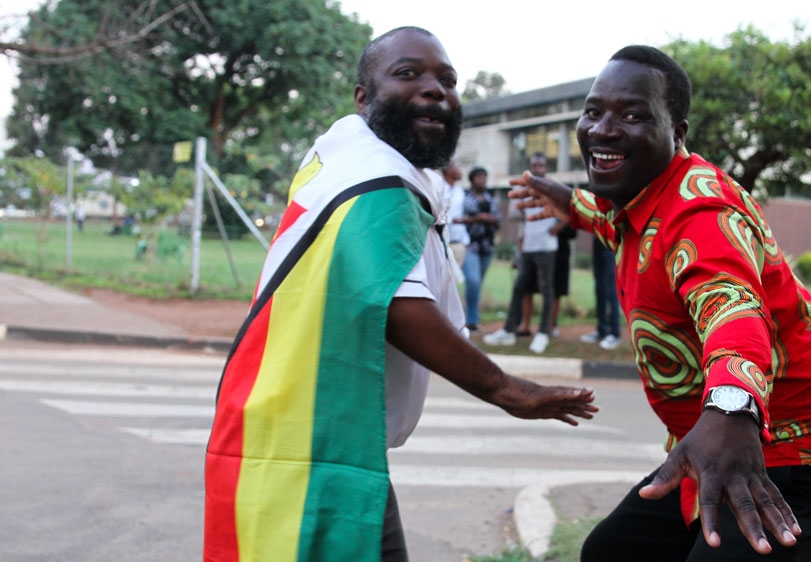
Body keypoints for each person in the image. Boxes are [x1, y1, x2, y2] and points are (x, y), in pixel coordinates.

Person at [203, 27, 597, 562]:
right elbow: (395, 305)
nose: (436, 90)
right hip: (311, 449)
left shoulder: (342, 161)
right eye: (408, 74)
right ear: (363, 97)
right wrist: (508, 389)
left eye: (448, 80)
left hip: (310, 435)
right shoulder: (377, 183)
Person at [510, 45, 811, 561]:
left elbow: (732, 311)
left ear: (677, 132)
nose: (603, 129)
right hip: (712, 444)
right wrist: (566, 199)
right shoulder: (640, 196)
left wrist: (730, 406)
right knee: (611, 553)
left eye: (634, 114)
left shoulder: (698, 213)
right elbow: (609, 219)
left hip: (807, 452)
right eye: (594, 111)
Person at [484, 153, 559, 353]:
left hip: (547, 246)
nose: (538, 168)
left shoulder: (553, 188)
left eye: (541, 164)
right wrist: (522, 238)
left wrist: (556, 229)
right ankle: (508, 330)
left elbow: (568, 213)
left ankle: (543, 333)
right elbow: (523, 217)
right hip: (528, 246)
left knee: (546, 289)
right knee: (519, 288)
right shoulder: (524, 189)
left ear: (546, 167)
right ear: (530, 167)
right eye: (534, 164)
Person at [458, 166, 501, 332]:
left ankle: (469, 317)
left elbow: (498, 221)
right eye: (479, 177)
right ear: (472, 179)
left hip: (487, 247)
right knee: (473, 281)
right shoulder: (465, 198)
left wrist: (490, 219)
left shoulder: (490, 199)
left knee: (477, 284)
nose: (482, 180)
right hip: (471, 245)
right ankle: (471, 320)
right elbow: (461, 218)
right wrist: (479, 218)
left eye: (485, 177)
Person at [579, 236, 621, 349]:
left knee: (611, 291)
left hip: (611, 245)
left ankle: (614, 333)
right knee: (599, 290)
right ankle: (602, 331)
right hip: (598, 245)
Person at [441, 160, 469, 267]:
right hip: (442, 241)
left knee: (453, 281)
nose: (460, 171)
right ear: (448, 170)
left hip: (458, 242)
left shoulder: (460, 191)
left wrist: (464, 241)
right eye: (457, 168)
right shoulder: (439, 188)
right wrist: (452, 220)